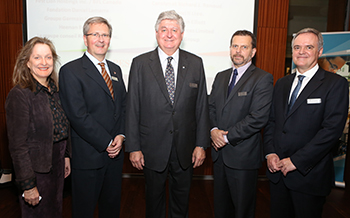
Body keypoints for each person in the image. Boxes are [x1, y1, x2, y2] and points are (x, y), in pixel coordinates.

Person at [125, 10, 210, 218]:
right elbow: (132, 107)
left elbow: (201, 106)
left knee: (181, 202)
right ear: (156, 33)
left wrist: (201, 144)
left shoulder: (195, 63)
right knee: (153, 202)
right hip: (151, 148)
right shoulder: (140, 63)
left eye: (174, 30)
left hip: (185, 148)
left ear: (182, 34)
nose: (169, 34)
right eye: (164, 30)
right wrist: (134, 147)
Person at [263, 28, 349, 218]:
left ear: (319, 52)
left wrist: (296, 161)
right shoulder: (282, 83)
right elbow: (271, 122)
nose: (301, 52)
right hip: (278, 174)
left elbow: (331, 131)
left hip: (309, 176)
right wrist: (270, 153)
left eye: (308, 47)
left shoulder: (335, 84)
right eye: (297, 47)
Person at [59, 16, 126, 218]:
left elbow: (123, 106)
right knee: (84, 210)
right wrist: (106, 141)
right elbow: (78, 115)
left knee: (111, 208)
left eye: (105, 35)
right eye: (95, 34)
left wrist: (121, 135)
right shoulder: (70, 71)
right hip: (88, 157)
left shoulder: (115, 69)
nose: (101, 39)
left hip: (115, 157)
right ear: (85, 38)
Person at [209, 30, 273, 218]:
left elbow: (258, 117)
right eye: (235, 46)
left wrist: (226, 137)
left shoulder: (262, 78)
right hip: (219, 156)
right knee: (221, 209)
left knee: (242, 211)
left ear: (253, 52)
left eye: (244, 47)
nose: (238, 51)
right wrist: (213, 130)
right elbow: (210, 107)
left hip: (243, 158)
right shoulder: (221, 76)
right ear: (230, 49)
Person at [5, 37, 71, 218]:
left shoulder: (55, 91)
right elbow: (18, 147)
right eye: (37, 57)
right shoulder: (20, 95)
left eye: (48, 57)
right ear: (27, 62)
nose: (44, 62)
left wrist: (65, 156)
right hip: (35, 172)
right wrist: (28, 185)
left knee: (55, 212)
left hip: (56, 167)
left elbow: (61, 129)